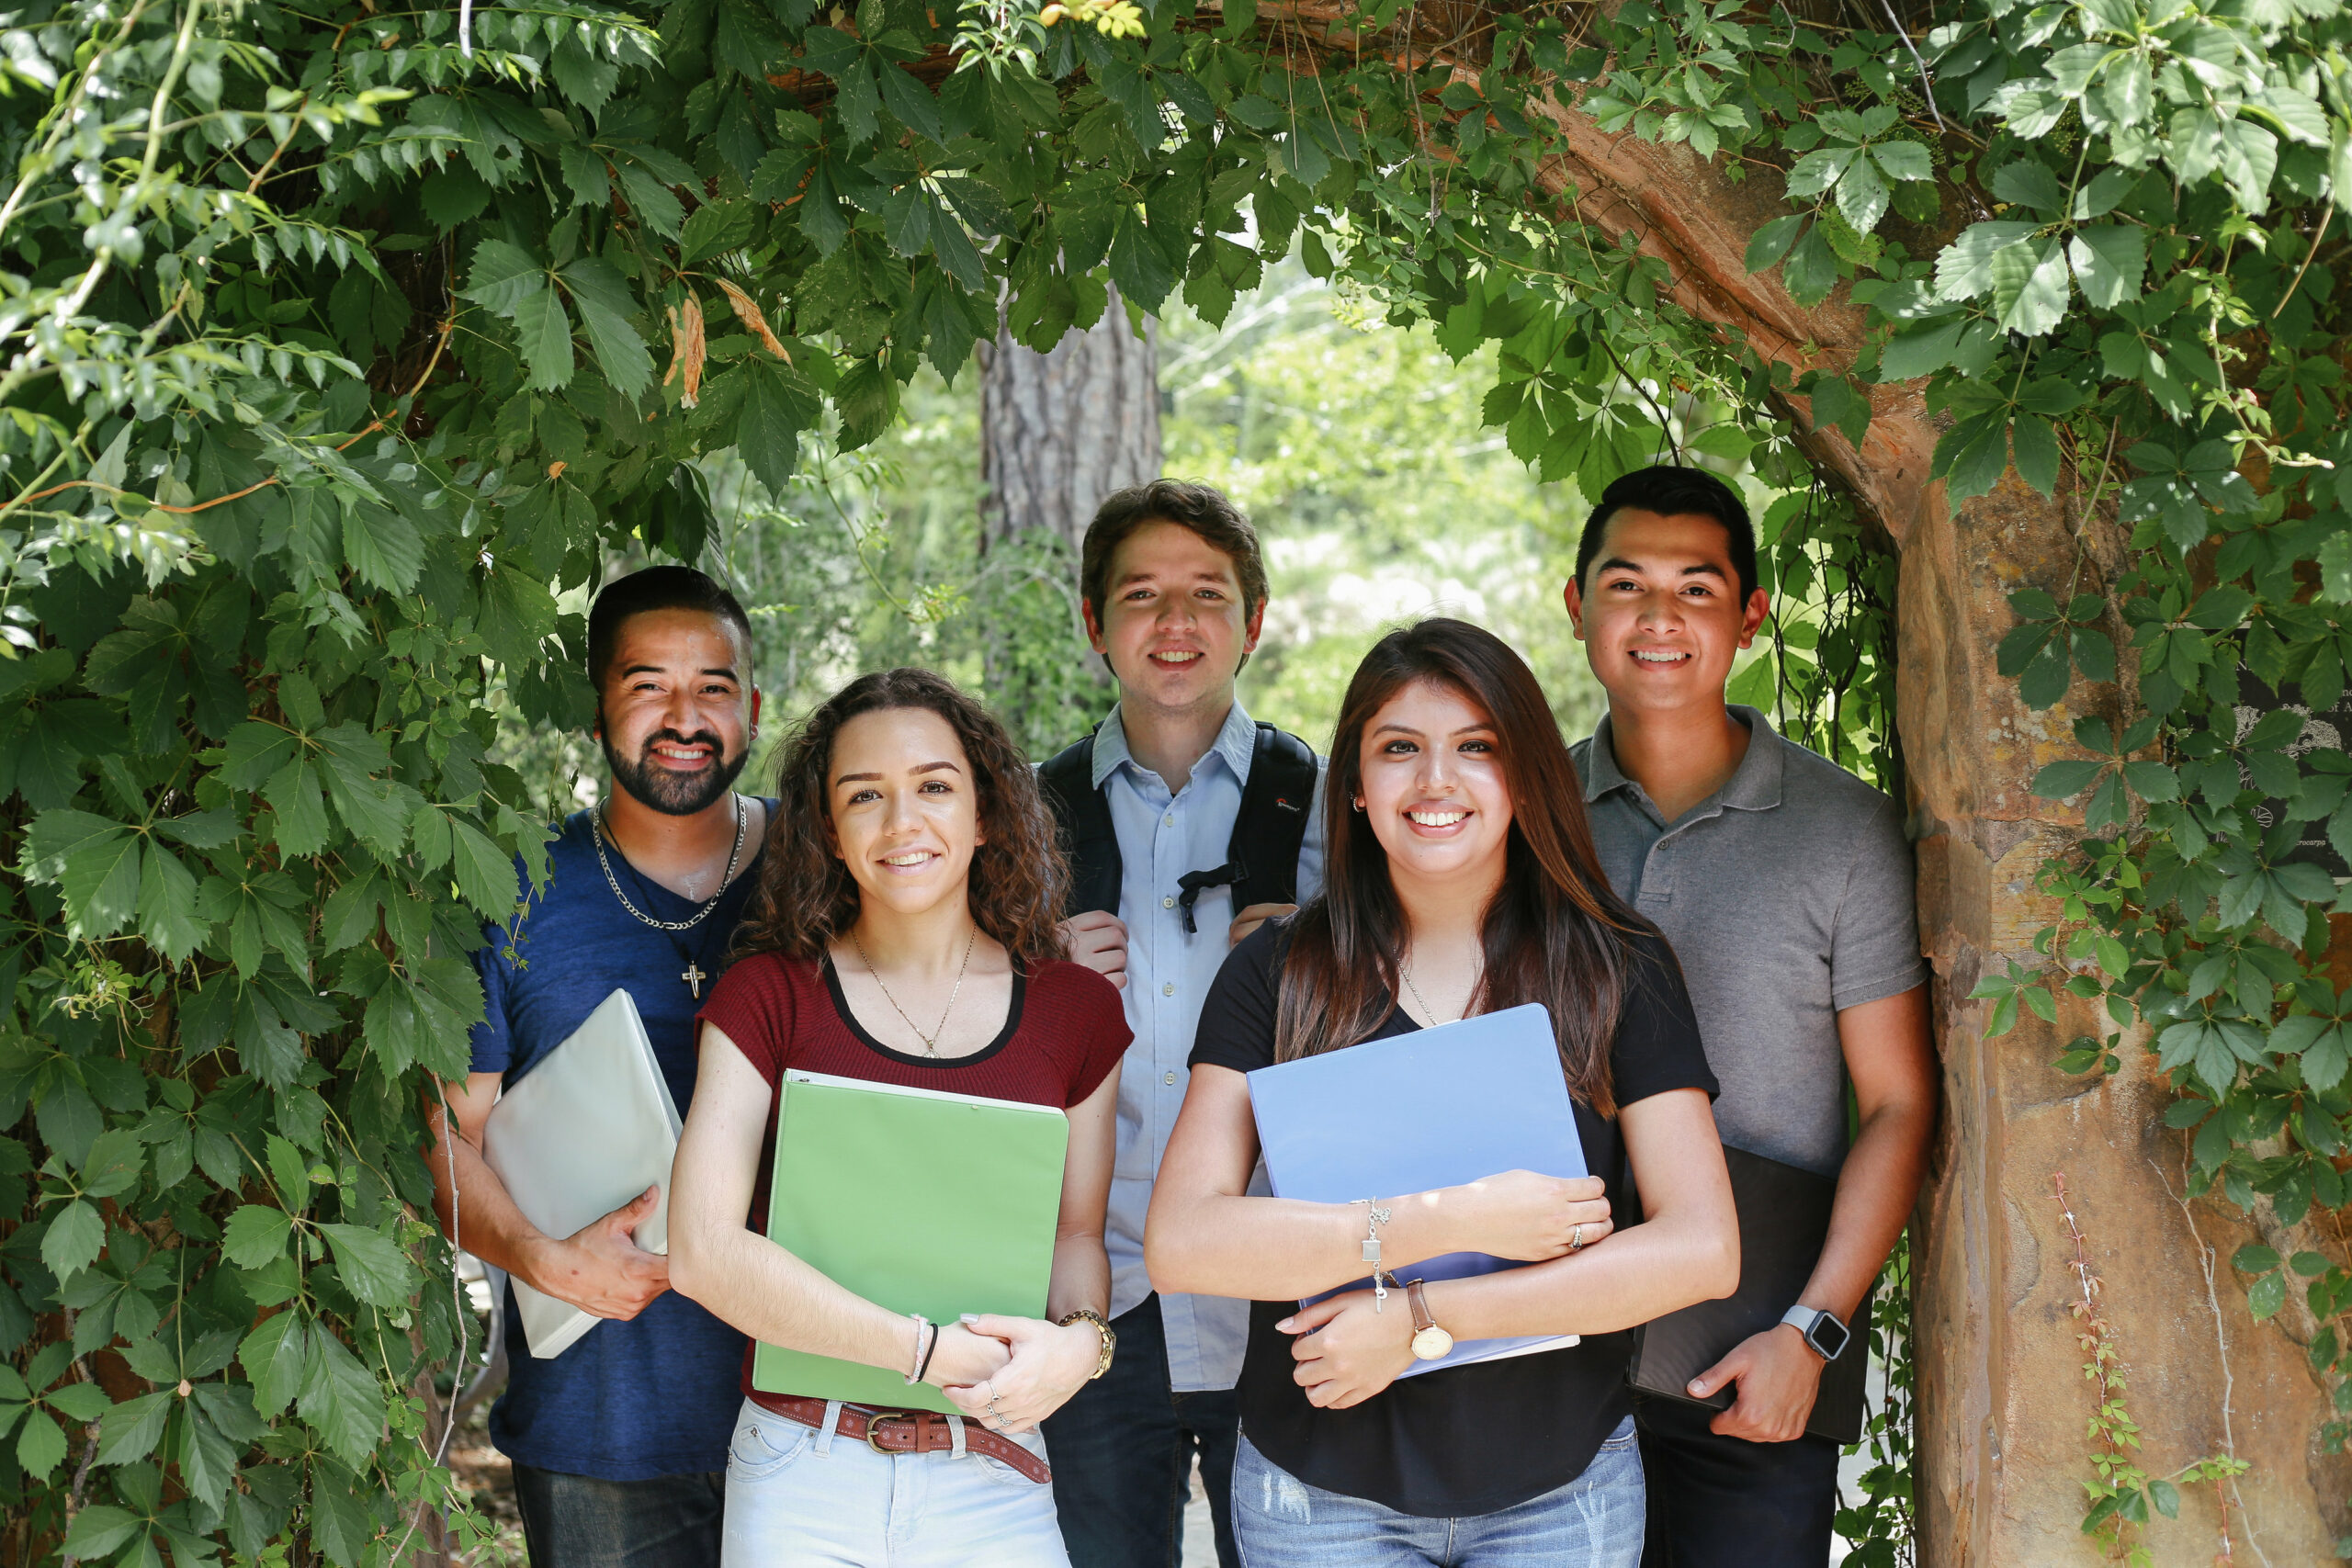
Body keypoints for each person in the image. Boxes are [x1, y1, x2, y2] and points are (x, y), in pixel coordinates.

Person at [1146, 616, 1740, 1568]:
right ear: (1353, 785)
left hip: (1561, 1487)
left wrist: (1420, 1317)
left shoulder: (1614, 967)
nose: (1434, 782)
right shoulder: (1277, 972)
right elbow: (1180, 1243)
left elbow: (1702, 1250)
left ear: (1526, 775)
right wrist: (1451, 1219)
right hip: (1317, 1491)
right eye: (1398, 750)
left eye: (1475, 748)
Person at [665, 667, 1131, 1568]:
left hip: (993, 1465)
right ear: (829, 832)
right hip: (800, 1466)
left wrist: (1080, 1347)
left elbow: (1077, 1235)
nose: (902, 821)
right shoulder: (766, 996)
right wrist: (919, 1353)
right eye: (864, 796)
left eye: (934, 787)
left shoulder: (1075, 1012)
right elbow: (702, 1250)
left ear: (986, 812)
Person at [1562, 464, 1938, 1568]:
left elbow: (1898, 1104)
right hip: (1550, 1348)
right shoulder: (1524, 819)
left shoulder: (1843, 831)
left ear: (1751, 614)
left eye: (1696, 588)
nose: (1658, 619)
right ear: (1576, 603)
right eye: (1626, 585)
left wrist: (1812, 1333)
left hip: (1755, 1355)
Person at [426, 566, 774, 1568]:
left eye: (712, 685)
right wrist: (542, 1260)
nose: (684, 715)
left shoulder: (829, 867)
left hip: (819, 1415)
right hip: (603, 1428)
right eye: (646, 684)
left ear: (751, 707)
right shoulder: (513, 887)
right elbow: (447, 1135)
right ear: (596, 711)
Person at [1037, 479, 1326, 1568]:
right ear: (1093, 622)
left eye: (1207, 594)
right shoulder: (1023, 819)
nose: (1175, 623)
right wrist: (1030, 979)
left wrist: (1320, 962)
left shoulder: (1339, 807)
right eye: (1141, 595)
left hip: (1287, 1289)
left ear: (1252, 621)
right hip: (1094, 1296)